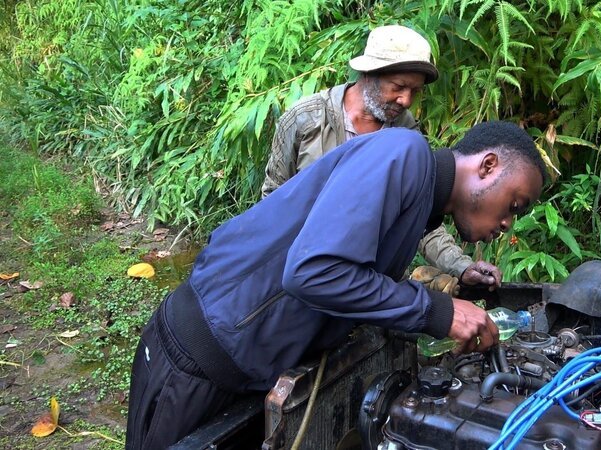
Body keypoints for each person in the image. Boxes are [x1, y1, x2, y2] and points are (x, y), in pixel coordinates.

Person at [125, 121, 547, 449]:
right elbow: (314, 271)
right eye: (514, 205)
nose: (508, 222)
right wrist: (437, 311)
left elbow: (353, 274)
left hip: (243, 368)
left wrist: (446, 297)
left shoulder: (419, 200)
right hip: (196, 360)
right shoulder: (404, 154)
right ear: (488, 165)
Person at [261, 24, 502, 289]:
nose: (406, 100)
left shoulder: (406, 132)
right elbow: (272, 202)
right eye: (398, 87)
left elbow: (419, 215)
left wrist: (461, 266)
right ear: (369, 74)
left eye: (415, 91)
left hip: (368, 282)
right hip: (305, 274)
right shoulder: (305, 120)